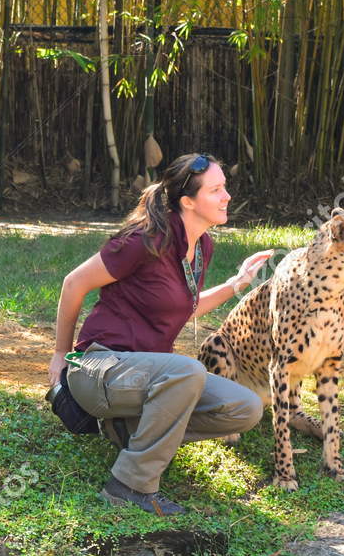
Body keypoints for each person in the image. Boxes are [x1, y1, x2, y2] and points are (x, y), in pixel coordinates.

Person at [48, 153, 276, 516]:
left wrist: (237, 284)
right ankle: (129, 484)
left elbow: (181, 306)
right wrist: (61, 355)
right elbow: (73, 283)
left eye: (225, 188)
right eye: (216, 190)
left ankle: (133, 435)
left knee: (245, 407)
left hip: (146, 378)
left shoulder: (201, 246)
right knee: (187, 370)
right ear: (188, 202)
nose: (227, 196)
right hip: (99, 367)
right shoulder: (144, 240)